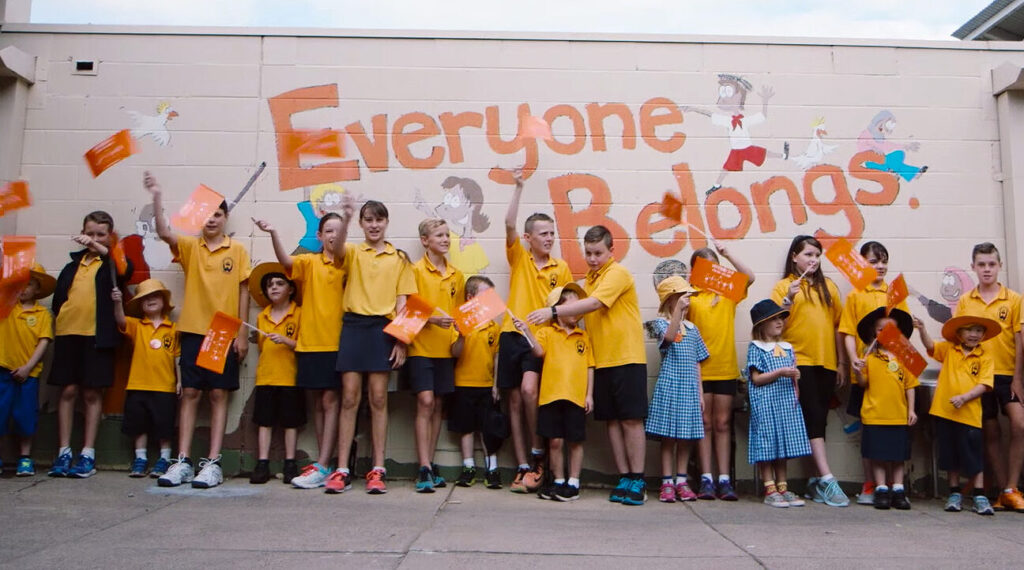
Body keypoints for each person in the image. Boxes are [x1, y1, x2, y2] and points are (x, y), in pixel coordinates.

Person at [527, 225, 649, 506]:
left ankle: (638, 478)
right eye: (589, 253)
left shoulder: (617, 274)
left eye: (598, 253)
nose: (593, 259)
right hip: (600, 360)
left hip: (627, 357)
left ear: (611, 251)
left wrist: (553, 311)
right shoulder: (588, 281)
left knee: (631, 420)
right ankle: (624, 476)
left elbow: (593, 305)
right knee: (611, 422)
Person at [146, 172, 251, 489]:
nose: (212, 219)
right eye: (206, 214)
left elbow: (245, 292)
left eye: (217, 214)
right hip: (193, 329)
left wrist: (242, 334)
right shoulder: (191, 247)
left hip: (222, 331)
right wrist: (157, 195)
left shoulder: (238, 251)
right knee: (190, 393)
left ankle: (213, 462)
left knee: (218, 394)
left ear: (225, 217)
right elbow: (164, 232)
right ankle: (182, 461)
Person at [332, 196, 417, 494]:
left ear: (386, 222)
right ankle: (341, 469)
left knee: (379, 398)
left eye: (379, 219)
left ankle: (377, 469)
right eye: (368, 219)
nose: (374, 225)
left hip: (382, 330)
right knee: (349, 398)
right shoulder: (354, 252)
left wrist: (401, 341)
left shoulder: (400, 258)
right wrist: (345, 215)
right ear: (361, 223)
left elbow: (403, 303)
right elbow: (336, 247)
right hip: (354, 326)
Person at [253, 214, 345, 490]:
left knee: (331, 401)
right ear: (319, 235)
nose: (333, 236)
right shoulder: (309, 262)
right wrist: (273, 233)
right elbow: (286, 262)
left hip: (338, 343)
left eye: (338, 231)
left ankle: (327, 461)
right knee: (317, 403)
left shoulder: (348, 262)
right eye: (328, 230)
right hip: (310, 344)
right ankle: (322, 462)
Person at [499, 170, 572, 493]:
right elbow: (509, 224)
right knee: (513, 401)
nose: (549, 238)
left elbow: (568, 308)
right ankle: (523, 466)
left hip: (542, 339)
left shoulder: (562, 268)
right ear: (529, 238)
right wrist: (518, 187)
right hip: (511, 335)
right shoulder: (519, 257)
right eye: (543, 233)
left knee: (532, 393)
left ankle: (538, 455)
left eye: (552, 233)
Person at [48, 211, 133, 478]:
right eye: (90, 233)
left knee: (92, 394)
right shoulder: (72, 266)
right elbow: (59, 298)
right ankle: (64, 452)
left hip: (97, 337)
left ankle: (87, 453)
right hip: (68, 334)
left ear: (110, 237)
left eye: (100, 235)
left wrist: (102, 249)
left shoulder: (111, 264)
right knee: (68, 391)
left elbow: (124, 269)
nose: (93, 239)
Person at [770, 235, 849, 507]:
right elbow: (773, 324)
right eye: (807, 255)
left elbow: (841, 327)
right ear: (794, 257)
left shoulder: (829, 287)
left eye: (817, 255)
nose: (813, 260)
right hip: (798, 362)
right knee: (813, 416)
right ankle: (827, 477)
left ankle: (814, 481)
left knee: (818, 421)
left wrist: (841, 363)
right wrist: (787, 300)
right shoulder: (784, 286)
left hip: (825, 362)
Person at [838, 240, 911, 505]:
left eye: (883, 261)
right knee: (868, 431)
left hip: (891, 373)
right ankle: (871, 484)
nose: (879, 266)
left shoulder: (895, 295)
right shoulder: (856, 295)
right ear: (862, 265)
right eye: (873, 261)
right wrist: (852, 360)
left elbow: (903, 334)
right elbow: (845, 332)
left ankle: (895, 486)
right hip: (865, 372)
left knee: (893, 434)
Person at [953, 243, 1024, 511]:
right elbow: (959, 343)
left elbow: (1019, 342)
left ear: (999, 266)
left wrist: (1018, 379)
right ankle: (1002, 491)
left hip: (1007, 375)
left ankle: (1011, 486)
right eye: (981, 264)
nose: (986, 269)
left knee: (1018, 425)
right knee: (990, 432)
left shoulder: (1014, 300)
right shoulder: (966, 301)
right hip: (978, 378)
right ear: (973, 267)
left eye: (991, 264)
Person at [514, 284, 594, 502]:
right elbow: (538, 351)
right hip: (550, 397)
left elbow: (589, 366)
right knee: (555, 442)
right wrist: (527, 331)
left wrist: (589, 395)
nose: (577, 311)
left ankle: (574, 482)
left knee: (575, 441)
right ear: (557, 309)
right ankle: (559, 481)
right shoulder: (546, 333)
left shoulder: (583, 336)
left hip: (575, 398)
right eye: (572, 306)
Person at [688, 243, 754, 500]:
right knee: (704, 423)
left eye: (713, 267)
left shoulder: (728, 293)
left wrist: (727, 255)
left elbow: (750, 277)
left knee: (723, 423)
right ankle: (706, 478)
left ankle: (724, 479)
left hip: (725, 367)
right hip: (700, 370)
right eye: (703, 267)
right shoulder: (690, 296)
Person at [916, 312, 998, 515]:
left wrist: (965, 397)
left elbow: (984, 384)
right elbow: (930, 347)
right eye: (970, 330)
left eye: (979, 330)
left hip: (970, 415)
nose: (974, 334)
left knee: (973, 454)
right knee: (950, 454)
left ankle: (979, 494)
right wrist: (922, 329)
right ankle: (954, 493)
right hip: (945, 412)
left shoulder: (985, 356)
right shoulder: (949, 350)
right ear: (959, 333)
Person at [408, 218, 464, 492]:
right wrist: (431, 321)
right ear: (425, 241)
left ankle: (429, 464)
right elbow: (406, 311)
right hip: (420, 349)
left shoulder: (457, 275)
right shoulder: (415, 271)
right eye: (439, 235)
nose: (444, 239)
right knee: (425, 401)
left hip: (446, 351)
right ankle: (422, 466)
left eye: (447, 235)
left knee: (438, 406)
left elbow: (458, 313)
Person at [645, 277, 708, 503]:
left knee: (685, 437)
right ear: (671, 299)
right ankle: (666, 482)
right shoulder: (660, 324)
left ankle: (681, 480)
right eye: (682, 296)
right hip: (670, 385)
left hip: (689, 388)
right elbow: (669, 339)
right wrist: (677, 315)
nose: (687, 300)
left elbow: (697, 361)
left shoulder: (693, 329)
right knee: (668, 437)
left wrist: (700, 393)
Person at [745, 299, 812, 508]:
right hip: (765, 404)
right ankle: (769, 487)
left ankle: (783, 486)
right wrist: (780, 372)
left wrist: (794, 374)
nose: (779, 322)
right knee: (767, 444)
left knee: (783, 444)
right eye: (773, 319)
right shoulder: (756, 347)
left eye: (780, 318)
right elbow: (756, 379)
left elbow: (790, 371)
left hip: (785, 403)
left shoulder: (787, 347)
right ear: (761, 324)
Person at [111, 279, 179, 479]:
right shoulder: (137, 325)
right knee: (138, 423)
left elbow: (177, 357)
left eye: (155, 296)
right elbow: (121, 321)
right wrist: (117, 302)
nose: (151, 300)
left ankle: (164, 458)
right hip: (138, 384)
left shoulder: (173, 329)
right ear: (140, 305)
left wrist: (180, 381)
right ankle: (140, 458)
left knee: (164, 425)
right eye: (145, 298)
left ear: (164, 301)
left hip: (165, 386)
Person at [855, 307, 918, 510]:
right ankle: (881, 488)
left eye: (891, 329)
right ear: (874, 333)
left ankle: (898, 489)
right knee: (878, 454)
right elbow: (864, 384)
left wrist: (911, 410)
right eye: (881, 329)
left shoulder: (904, 358)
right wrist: (858, 371)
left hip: (898, 415)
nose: (886, 332)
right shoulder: (869, 358)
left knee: (898, 455)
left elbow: (910, 386)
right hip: (875, 415)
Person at [247, 264, 304, 484]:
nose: (274, 287)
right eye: (270, 285)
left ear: (290, 289)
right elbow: (261, 347)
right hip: (266, 377)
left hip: (290, 377)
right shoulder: (263, 317)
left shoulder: (298, 313)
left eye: (280, 283)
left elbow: (304, 345)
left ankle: (290, 463)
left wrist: (287, 341)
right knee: (264, 421)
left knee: (291, 422)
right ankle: (263, 463)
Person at [448, 276, 503, 489]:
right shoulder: (459, 324)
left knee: (488, 428)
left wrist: (496, 384)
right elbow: (455, 352)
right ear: (470, 298)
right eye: (485, 296)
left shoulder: (493, 327)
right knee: (466, 427)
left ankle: (492, 467)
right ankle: (468, 466)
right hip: (463, 383)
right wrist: (461, 335)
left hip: (486, 385)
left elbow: (496, 357)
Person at [0, 264, 55, 476]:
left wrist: (28, 367)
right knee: (1, 414)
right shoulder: (5, 308)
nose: (24, 288)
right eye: (19, 284)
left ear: (38, 289)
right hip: (4, 371)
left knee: (25, 416)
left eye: (29, 284)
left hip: (28, 374)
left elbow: (43, 342)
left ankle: (25, 457)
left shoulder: (42, 314)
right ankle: (3, 458)